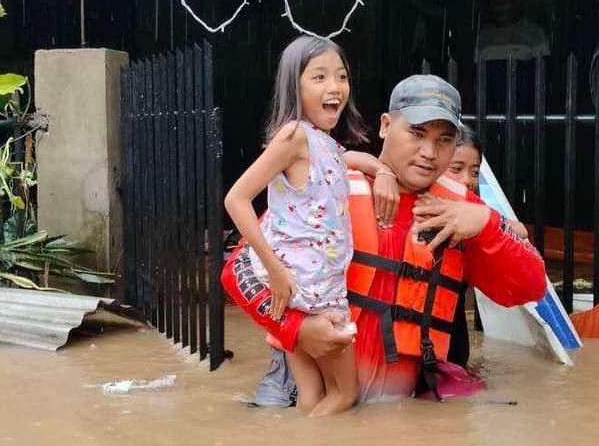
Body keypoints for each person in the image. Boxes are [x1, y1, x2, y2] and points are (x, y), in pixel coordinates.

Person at [223, 74, 548, 404]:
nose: (429, 152)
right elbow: (237, 272)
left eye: (444, 140)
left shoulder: (463, 211)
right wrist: (298, 328)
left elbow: (531, 287)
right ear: (385, 125)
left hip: (396, 405)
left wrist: (488, 222)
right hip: (298, 391)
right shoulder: (330, 185)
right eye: (416, 133)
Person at [223, 35, 367, 417]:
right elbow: (235, 199)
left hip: (307, 284)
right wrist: (273, 268)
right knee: (345, 394)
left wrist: (374, 165)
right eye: (319, 78)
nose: (334, 87)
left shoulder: (325, 145)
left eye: (341, 76)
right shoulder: (294, 136)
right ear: (294, 86)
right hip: (312, 289)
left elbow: (338, 158)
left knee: (312, 397)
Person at [442, 127, 529, 367]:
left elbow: (521, 230)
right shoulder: (416, 203)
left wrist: (486, 221)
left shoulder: (476, 213)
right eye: (456, 169)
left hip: (456, 345)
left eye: (474, 172)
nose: (468, 180)